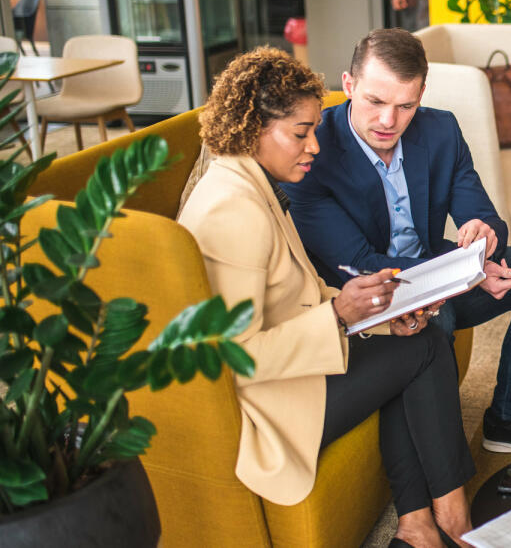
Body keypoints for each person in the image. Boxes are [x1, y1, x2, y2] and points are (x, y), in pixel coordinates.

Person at [177, 48, 475, 548]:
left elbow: (302, 294)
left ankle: (420, 524)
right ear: (253, 128)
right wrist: (340, 313)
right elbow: (235, 359)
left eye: (315, 129)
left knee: (413, 341)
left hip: (290, 371)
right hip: (265, 407)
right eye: (300, 133)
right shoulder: (232, 211)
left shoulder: (251, 184)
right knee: (422, 352)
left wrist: (378, 316)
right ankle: (450, 519)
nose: (314, 146)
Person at [283, 28, 511, 455]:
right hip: (373, 297)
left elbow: (485, 214)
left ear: (421, 92)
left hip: (441, 268)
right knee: (438, 321)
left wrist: (483, 237)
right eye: (375, 102)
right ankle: (442, 460)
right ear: (348, 85)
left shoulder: (440, 130)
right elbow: (362, 262)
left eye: (406, 105)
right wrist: (465, 278)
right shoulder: (313, 151)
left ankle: (510, 417)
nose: (389, 121)